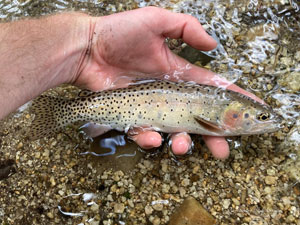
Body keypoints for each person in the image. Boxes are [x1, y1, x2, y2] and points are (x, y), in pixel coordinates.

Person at [0, 7, 261, 159]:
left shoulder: (221, 110)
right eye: (260, 117)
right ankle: (61, 111)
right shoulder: (217, 118)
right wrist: (88, 41)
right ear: (236, 114)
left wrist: (86, 42)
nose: (263, 121)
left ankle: (64, 111)